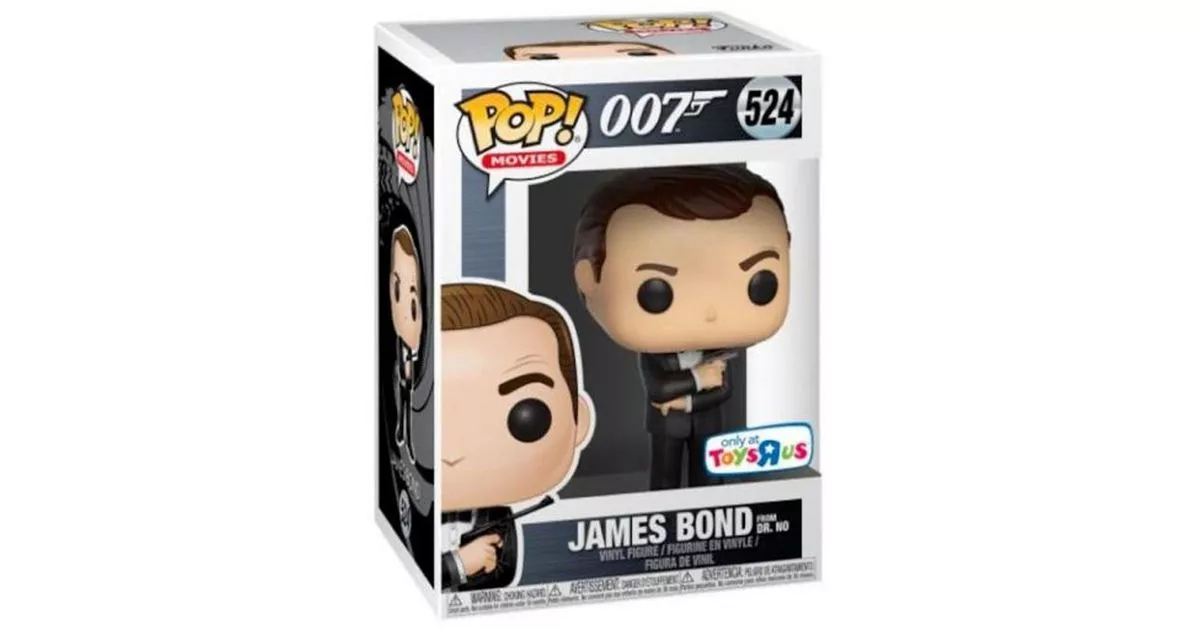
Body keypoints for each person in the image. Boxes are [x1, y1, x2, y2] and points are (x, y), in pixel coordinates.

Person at [572, 165, 791, 489]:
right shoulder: (656, 355)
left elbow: (723, 391)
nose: (710, 312)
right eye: (656, 293)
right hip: (667, 428)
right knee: (665, 477)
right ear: (589, 279)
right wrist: (699, 380)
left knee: (709, 479)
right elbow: (659, 389)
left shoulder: (719, 352)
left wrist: (685, 402)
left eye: (760, 285)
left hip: (707, 426)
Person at [440, 282, 593, 591]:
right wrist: (459, 563)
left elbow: (501, 575)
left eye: (526, 415)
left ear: (579, 421)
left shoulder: (495, 515)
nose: (455, 450)